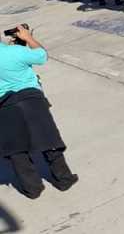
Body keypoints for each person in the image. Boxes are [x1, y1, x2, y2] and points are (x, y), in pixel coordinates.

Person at [1, 25, 80, 199]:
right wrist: (28, 38)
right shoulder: (14, 52)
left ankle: (33, 188)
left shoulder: (12, 51)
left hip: (4, 106)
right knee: (48, 139)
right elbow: (41, 56)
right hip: (31, 100)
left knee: (17, 150)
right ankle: (64, 179)